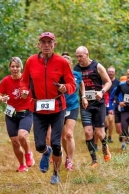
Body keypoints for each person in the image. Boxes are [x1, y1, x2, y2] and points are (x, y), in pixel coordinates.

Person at [20, 32, 76, 184]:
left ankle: (56, 173)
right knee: (39, 145)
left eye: (49, 42)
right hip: (38, 109)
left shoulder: (61, 62)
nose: (46, 45)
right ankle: (46, 152)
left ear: (54, 44)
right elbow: (24, 81)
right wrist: (24, 91)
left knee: (57, 143)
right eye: (43, 42)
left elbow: (72, 85)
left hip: (57, 108)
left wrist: (65, 87)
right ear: (39, 44)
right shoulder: (31, 61)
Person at [74, 46, 112, 168]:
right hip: (85, 104)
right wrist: (83, 97)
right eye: (77, 56)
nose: (79, 59)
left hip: (98, 104)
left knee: (100, 133)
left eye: (81, 56)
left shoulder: (97, 66)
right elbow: (79, 85)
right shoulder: (76, 69)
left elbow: (108, 82)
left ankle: (105, 149)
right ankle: (94, 160)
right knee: (87, 132)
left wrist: (102, 91)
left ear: (87, 54)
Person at [0, 57, 35, 172]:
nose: (14, 69)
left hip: (26, 112)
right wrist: (2, 98)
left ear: (21, 67)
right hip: (11, 114)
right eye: (12, 66)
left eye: (17, 66)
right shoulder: (6, 80)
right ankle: (22, 164)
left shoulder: (27, 79)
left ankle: (28, 153)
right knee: (14, 141)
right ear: (9, 68)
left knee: (22, 136)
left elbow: (35, 92)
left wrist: (27, 94)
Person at [60, 52, 85, 171]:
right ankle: (66, 155)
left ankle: (70, 160)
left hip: (73, 106)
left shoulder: (76, 74)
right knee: (63, 137)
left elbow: (82, 84)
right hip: (60, 107)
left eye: (67, 62)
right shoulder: (57, 75)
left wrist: (83, 96)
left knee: (69, 134)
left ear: (70, 64)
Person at [108, 76, 127, 143]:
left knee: (124, 126)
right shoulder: (116, 89)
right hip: (117, 110)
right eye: (122, 82)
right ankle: (127, 133)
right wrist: (110, 108)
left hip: (126, 110)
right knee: (118, 130)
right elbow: (111, 99)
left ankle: (123, 144)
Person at [106, 66, 120, 143]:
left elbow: (120, 93)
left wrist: (116, 100)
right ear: (107, 72)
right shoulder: (103, 81)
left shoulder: (118, 83)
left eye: (112, 71)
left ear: (114, 73)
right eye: (109, 71)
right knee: (105, 122)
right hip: (104, 103)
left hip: (113, 103)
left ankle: (109, 136)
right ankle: (104, 132)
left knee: (111, 120)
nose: (111, 73)